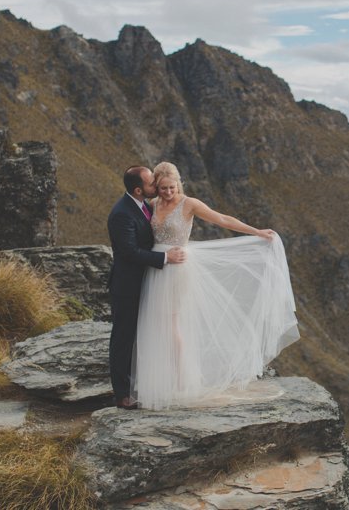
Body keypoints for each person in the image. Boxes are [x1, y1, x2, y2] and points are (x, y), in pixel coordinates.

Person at [132, 162, 300, 410]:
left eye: (172, 187)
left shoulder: (189, 204)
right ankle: (162, 377)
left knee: (172, 325)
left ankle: (181, 380)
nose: (168, 192)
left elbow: (222, 219)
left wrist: (256, 232)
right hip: (156, 267)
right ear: (156, 186)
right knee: (155, 323)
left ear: (179, 183)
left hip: (177, 270)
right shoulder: (153, 205)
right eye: (163, 188)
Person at [106, 166, 186, 410]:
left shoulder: (145, 205)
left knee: (144, 335)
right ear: (139, 189)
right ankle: (122, 394)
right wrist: (164, 259)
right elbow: (129, 252)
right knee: (124, 338)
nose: (157, 182)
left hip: (148, 281)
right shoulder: (122, 213)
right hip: (127, 285)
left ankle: (142, 384)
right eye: (153, 181)